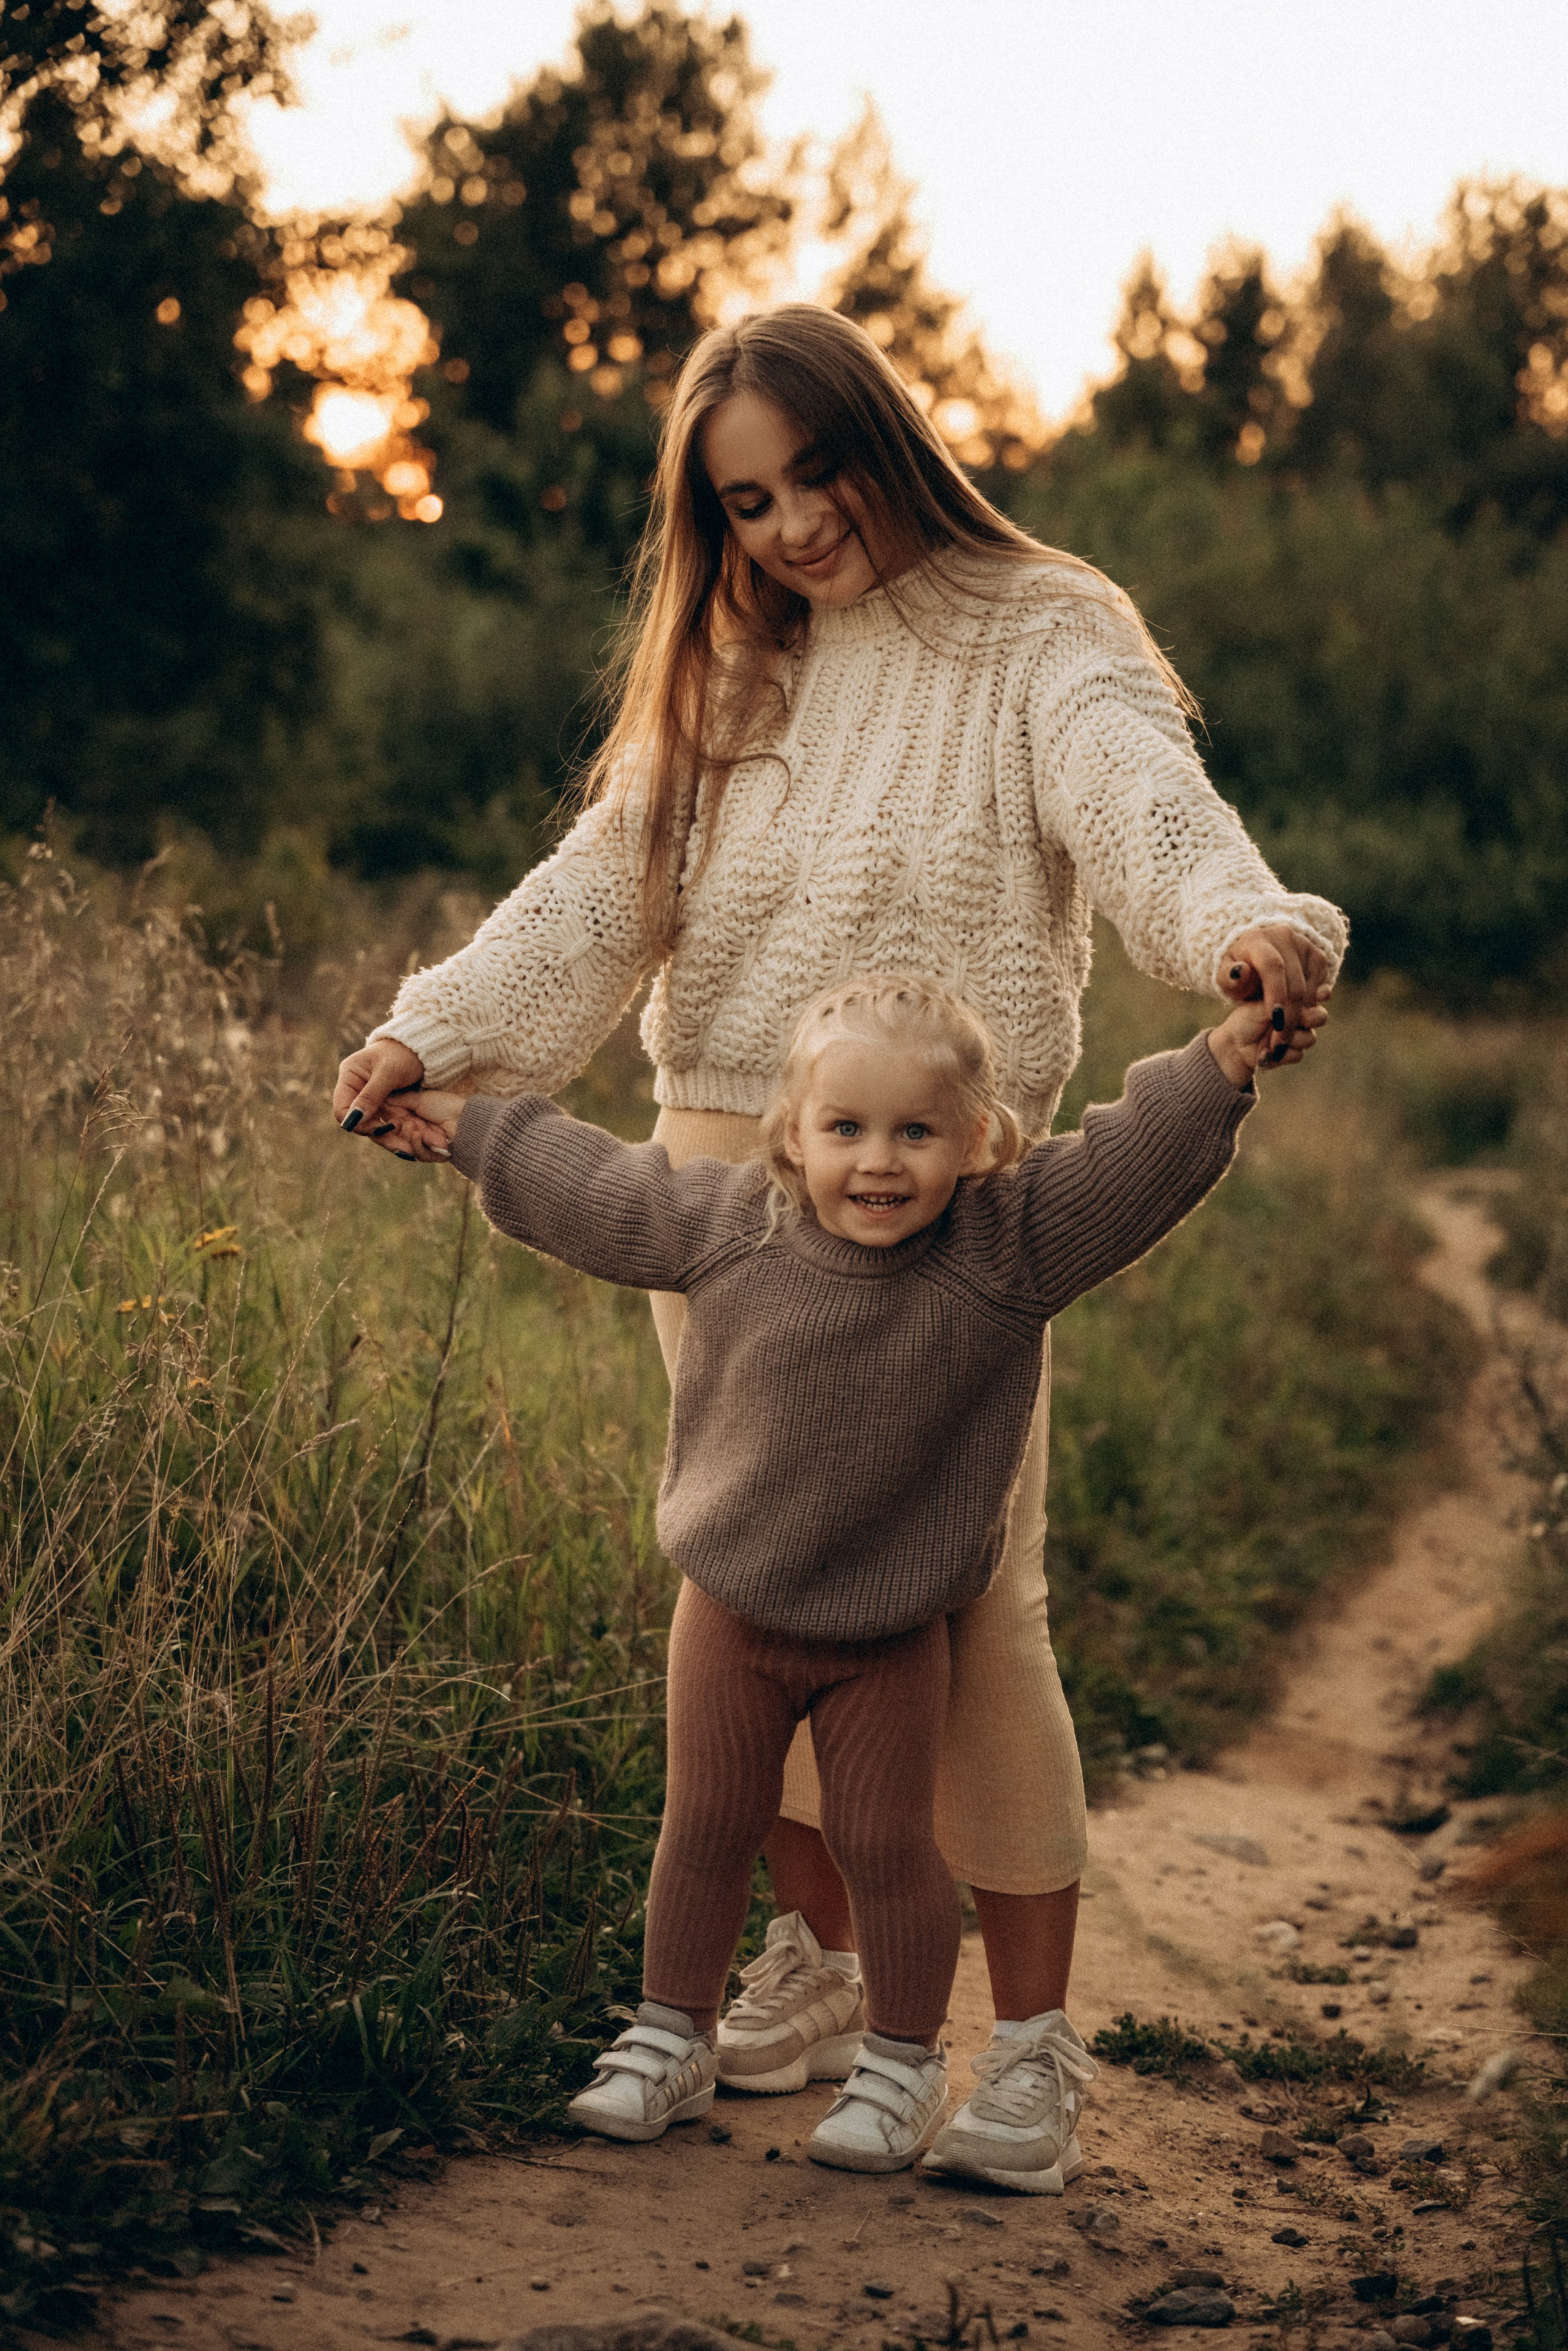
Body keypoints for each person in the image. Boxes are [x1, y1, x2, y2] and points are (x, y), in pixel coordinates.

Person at [333, 303, 1348, 2182]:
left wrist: (1243, 924)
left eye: (818, 473)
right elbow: (596, 895)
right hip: (725, 1164)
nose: (791, 526)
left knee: (968, 1606)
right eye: (745, 500)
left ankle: (1028, 2053)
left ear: (891, 436)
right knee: (765, 1585)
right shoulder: (733, 669)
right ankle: (812, 1970)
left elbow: (1143, 802)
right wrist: (438, 1034)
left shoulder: (1046, 628)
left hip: (944, 1192)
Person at [391, 974, 1321, 2176]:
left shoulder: (1007, 1245)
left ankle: (901, 2058)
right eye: (845, 1129)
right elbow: (598, 1186)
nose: (877, 1162)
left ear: (974, 1139)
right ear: (791, 1134)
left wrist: (1224, 1059)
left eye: (915, 1132)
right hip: (728, 1610)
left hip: (887, 1634)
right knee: (704, 1827)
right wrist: (466, 1121)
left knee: (888, 1846)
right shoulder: (731, 1222)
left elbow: (1131, 1157)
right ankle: (670, 2031)